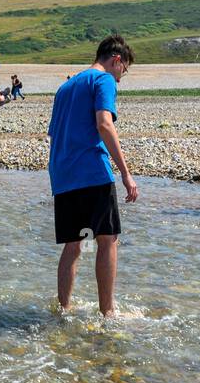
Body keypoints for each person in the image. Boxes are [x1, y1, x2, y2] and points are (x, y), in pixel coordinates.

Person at [47, 34, 138, 318]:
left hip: (62, 175)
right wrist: (125, 173)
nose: (121, 78)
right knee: (108, 240)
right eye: (124, 70)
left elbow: (53, 133)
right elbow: (104, 124)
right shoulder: (104, 80)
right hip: (93, 172)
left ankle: (63, 309)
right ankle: (108, 312)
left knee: (73, 244)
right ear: (116, 60)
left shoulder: (65, 86)